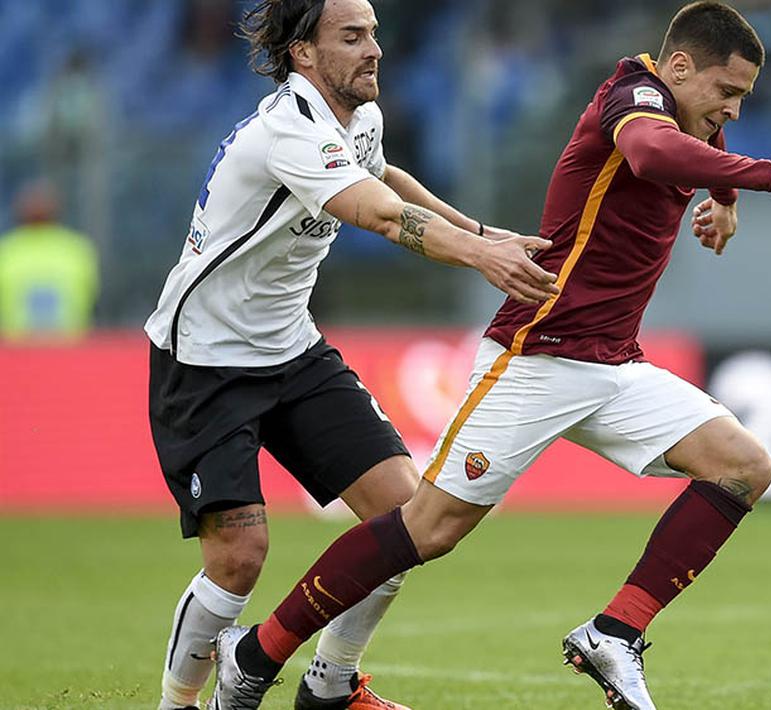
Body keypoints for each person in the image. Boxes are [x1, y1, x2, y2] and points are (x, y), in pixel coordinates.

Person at [207, 3, 771, 709]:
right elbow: (651, 154)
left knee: (743, 467)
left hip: (612, 364)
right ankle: (254, 652)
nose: (731, 110)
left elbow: (703, 134)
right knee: (428, 528)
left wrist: (724, 195)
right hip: (536, 353)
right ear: (679, 67)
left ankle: (614, 634)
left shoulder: (688, 107)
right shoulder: (632, 98)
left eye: (742, 98)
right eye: (725, 92)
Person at [145, 0, 557, 708]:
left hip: (291, 350)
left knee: (403, 518)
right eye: (351, 36)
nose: (374, 49)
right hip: (206, 362)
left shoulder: (359, 116)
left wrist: (480, 230)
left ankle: (331, 687)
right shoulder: (288, 131)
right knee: (239, 558)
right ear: (304, 54)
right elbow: (382, 215)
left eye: (373, 33)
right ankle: (178, 705)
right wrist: (479, 256)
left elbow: (385, 177)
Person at [0, 180, 99, 341]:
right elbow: (92, 299)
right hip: (71, 347)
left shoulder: (6, 251)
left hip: (15, 348)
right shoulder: (77, 249)